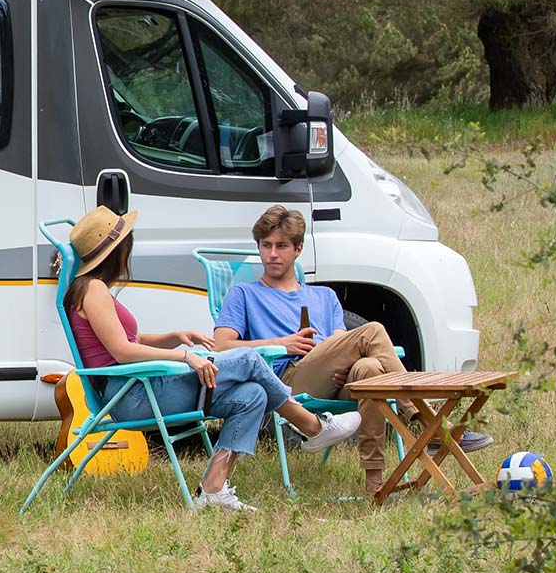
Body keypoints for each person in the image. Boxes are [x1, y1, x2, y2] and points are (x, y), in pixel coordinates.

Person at [65, 207, 361, 512]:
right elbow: (122, 353)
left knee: (252, 395)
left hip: (139, 386)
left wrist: (174, 335)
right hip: (132, 394)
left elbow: (131, 342)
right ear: (118, 249)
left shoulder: (92, 289)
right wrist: (185, 356)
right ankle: (311, 426)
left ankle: (213, 489)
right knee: (247, 359)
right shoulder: (94, 290)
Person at [209, 205, 492, 496]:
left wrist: (343, 363)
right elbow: (222, 345)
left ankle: (375, 485)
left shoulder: (324, 296)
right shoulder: (245, 293)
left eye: (281, 246)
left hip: (334, 377)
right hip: (289, 382)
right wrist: (282, 343)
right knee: (373, 330)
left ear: (298, 248)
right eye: (266, 246)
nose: (272, 254)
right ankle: (428, 423)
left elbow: (340, 341)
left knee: (368, 371)